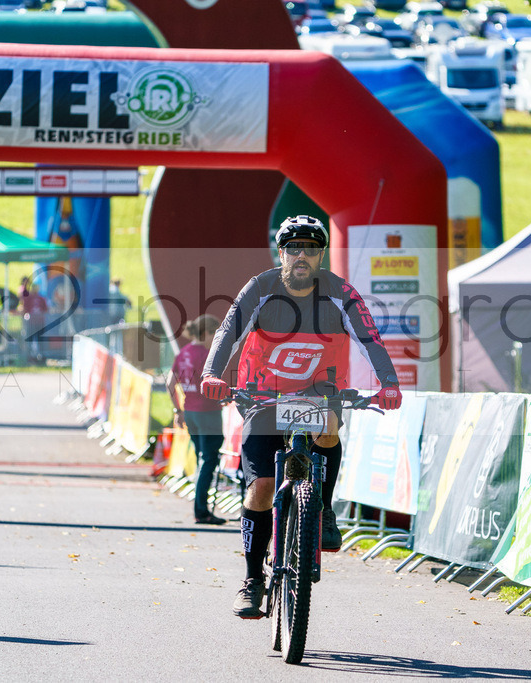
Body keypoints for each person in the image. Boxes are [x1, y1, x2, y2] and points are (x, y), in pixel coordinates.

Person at [199, 215, 403, 619]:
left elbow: (369, 338)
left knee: (328, 427)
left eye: (311, 249)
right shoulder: (261, 287)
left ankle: (322, 509)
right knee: (261, 488)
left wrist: (389, 382)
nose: (302, 256)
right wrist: (210, 374)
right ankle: (253, 579)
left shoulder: (341, 292)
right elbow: (227, 331)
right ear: (282, 253)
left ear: (321, 255)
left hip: (319, 392)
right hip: (262, 393)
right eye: (294, 248)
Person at [170, 314, 226, 526]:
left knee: (202, 459)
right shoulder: (206, 354)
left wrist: (178, 410)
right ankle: (201, 511)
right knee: (208, 461)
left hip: (190, 412)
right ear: (205, 333)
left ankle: (200, 507)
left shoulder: (183, 352)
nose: (216, 340)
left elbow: (170, 383)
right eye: (215, 334)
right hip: (208, 413)